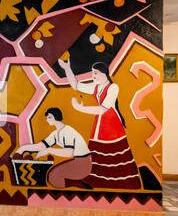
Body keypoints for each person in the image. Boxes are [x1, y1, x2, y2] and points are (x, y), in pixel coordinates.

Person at [58, 59, 141, 189]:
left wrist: (79, 108)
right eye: (92, 73)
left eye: (95, 73)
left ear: (104, 74)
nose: (93, 76)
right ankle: (96, 182)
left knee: (114, 155)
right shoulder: (96, 87)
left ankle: (123, 183)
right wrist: (67, 68)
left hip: (111, 125)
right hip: (100, 124)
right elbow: (76, 85)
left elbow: (102, 109)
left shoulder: (113, 87)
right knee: (97, 153)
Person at [16, 108, 92, 189]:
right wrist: (22, 149)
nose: (47, 119)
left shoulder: (67, 130)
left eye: (49, 117)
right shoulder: (55, 134)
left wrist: (49, 150)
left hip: (83, 164)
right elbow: (40, 146)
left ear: (55, 117)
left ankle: (78, 185)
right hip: (76, 162)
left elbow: (70, 152)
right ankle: (76, 183)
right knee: (52, 177)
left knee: (53, 177)